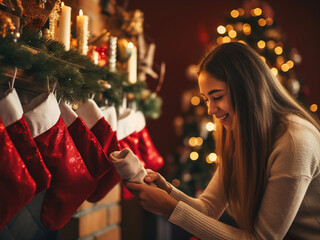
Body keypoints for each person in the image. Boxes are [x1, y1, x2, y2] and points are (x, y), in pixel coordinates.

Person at [125, 42, 320, 240]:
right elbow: (208, 209)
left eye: (217, 97)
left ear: (246, 90)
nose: (210, 110)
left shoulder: (295, 142)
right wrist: (167, 191)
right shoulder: (241, 133)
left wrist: (169, 208)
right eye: (206, 99)